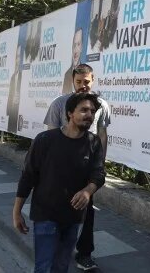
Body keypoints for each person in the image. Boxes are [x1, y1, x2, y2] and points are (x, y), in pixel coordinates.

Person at [13, 92, 106, 273]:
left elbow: (99, 173)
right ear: (70, 113)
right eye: (84, 110)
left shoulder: (93, 142)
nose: (89, 115)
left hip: (73, 217)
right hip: (46, 215)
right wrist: (17, 212)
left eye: (92, 111)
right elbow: (28, 177)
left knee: (61, 267)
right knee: (45, 268)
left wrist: (88, 191)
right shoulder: (45, 140)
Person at [43, 63, 111, 271]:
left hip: (87, 167)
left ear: (93, 80)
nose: (83, 85)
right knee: (58, 208)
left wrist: (100, 164)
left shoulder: (101, 105)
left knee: (87, 210)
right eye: (79, 81)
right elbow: (50, 136)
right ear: (72, 81)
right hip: (61, 167)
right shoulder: (59, 104)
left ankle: (84, 254)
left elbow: (102, 134)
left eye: (86, 81)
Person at [62, 28, 83, 94]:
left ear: (82, 47)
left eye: (78, 44)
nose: (75, 50)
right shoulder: (67, 74)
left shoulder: (86, 73)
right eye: (74, 45)